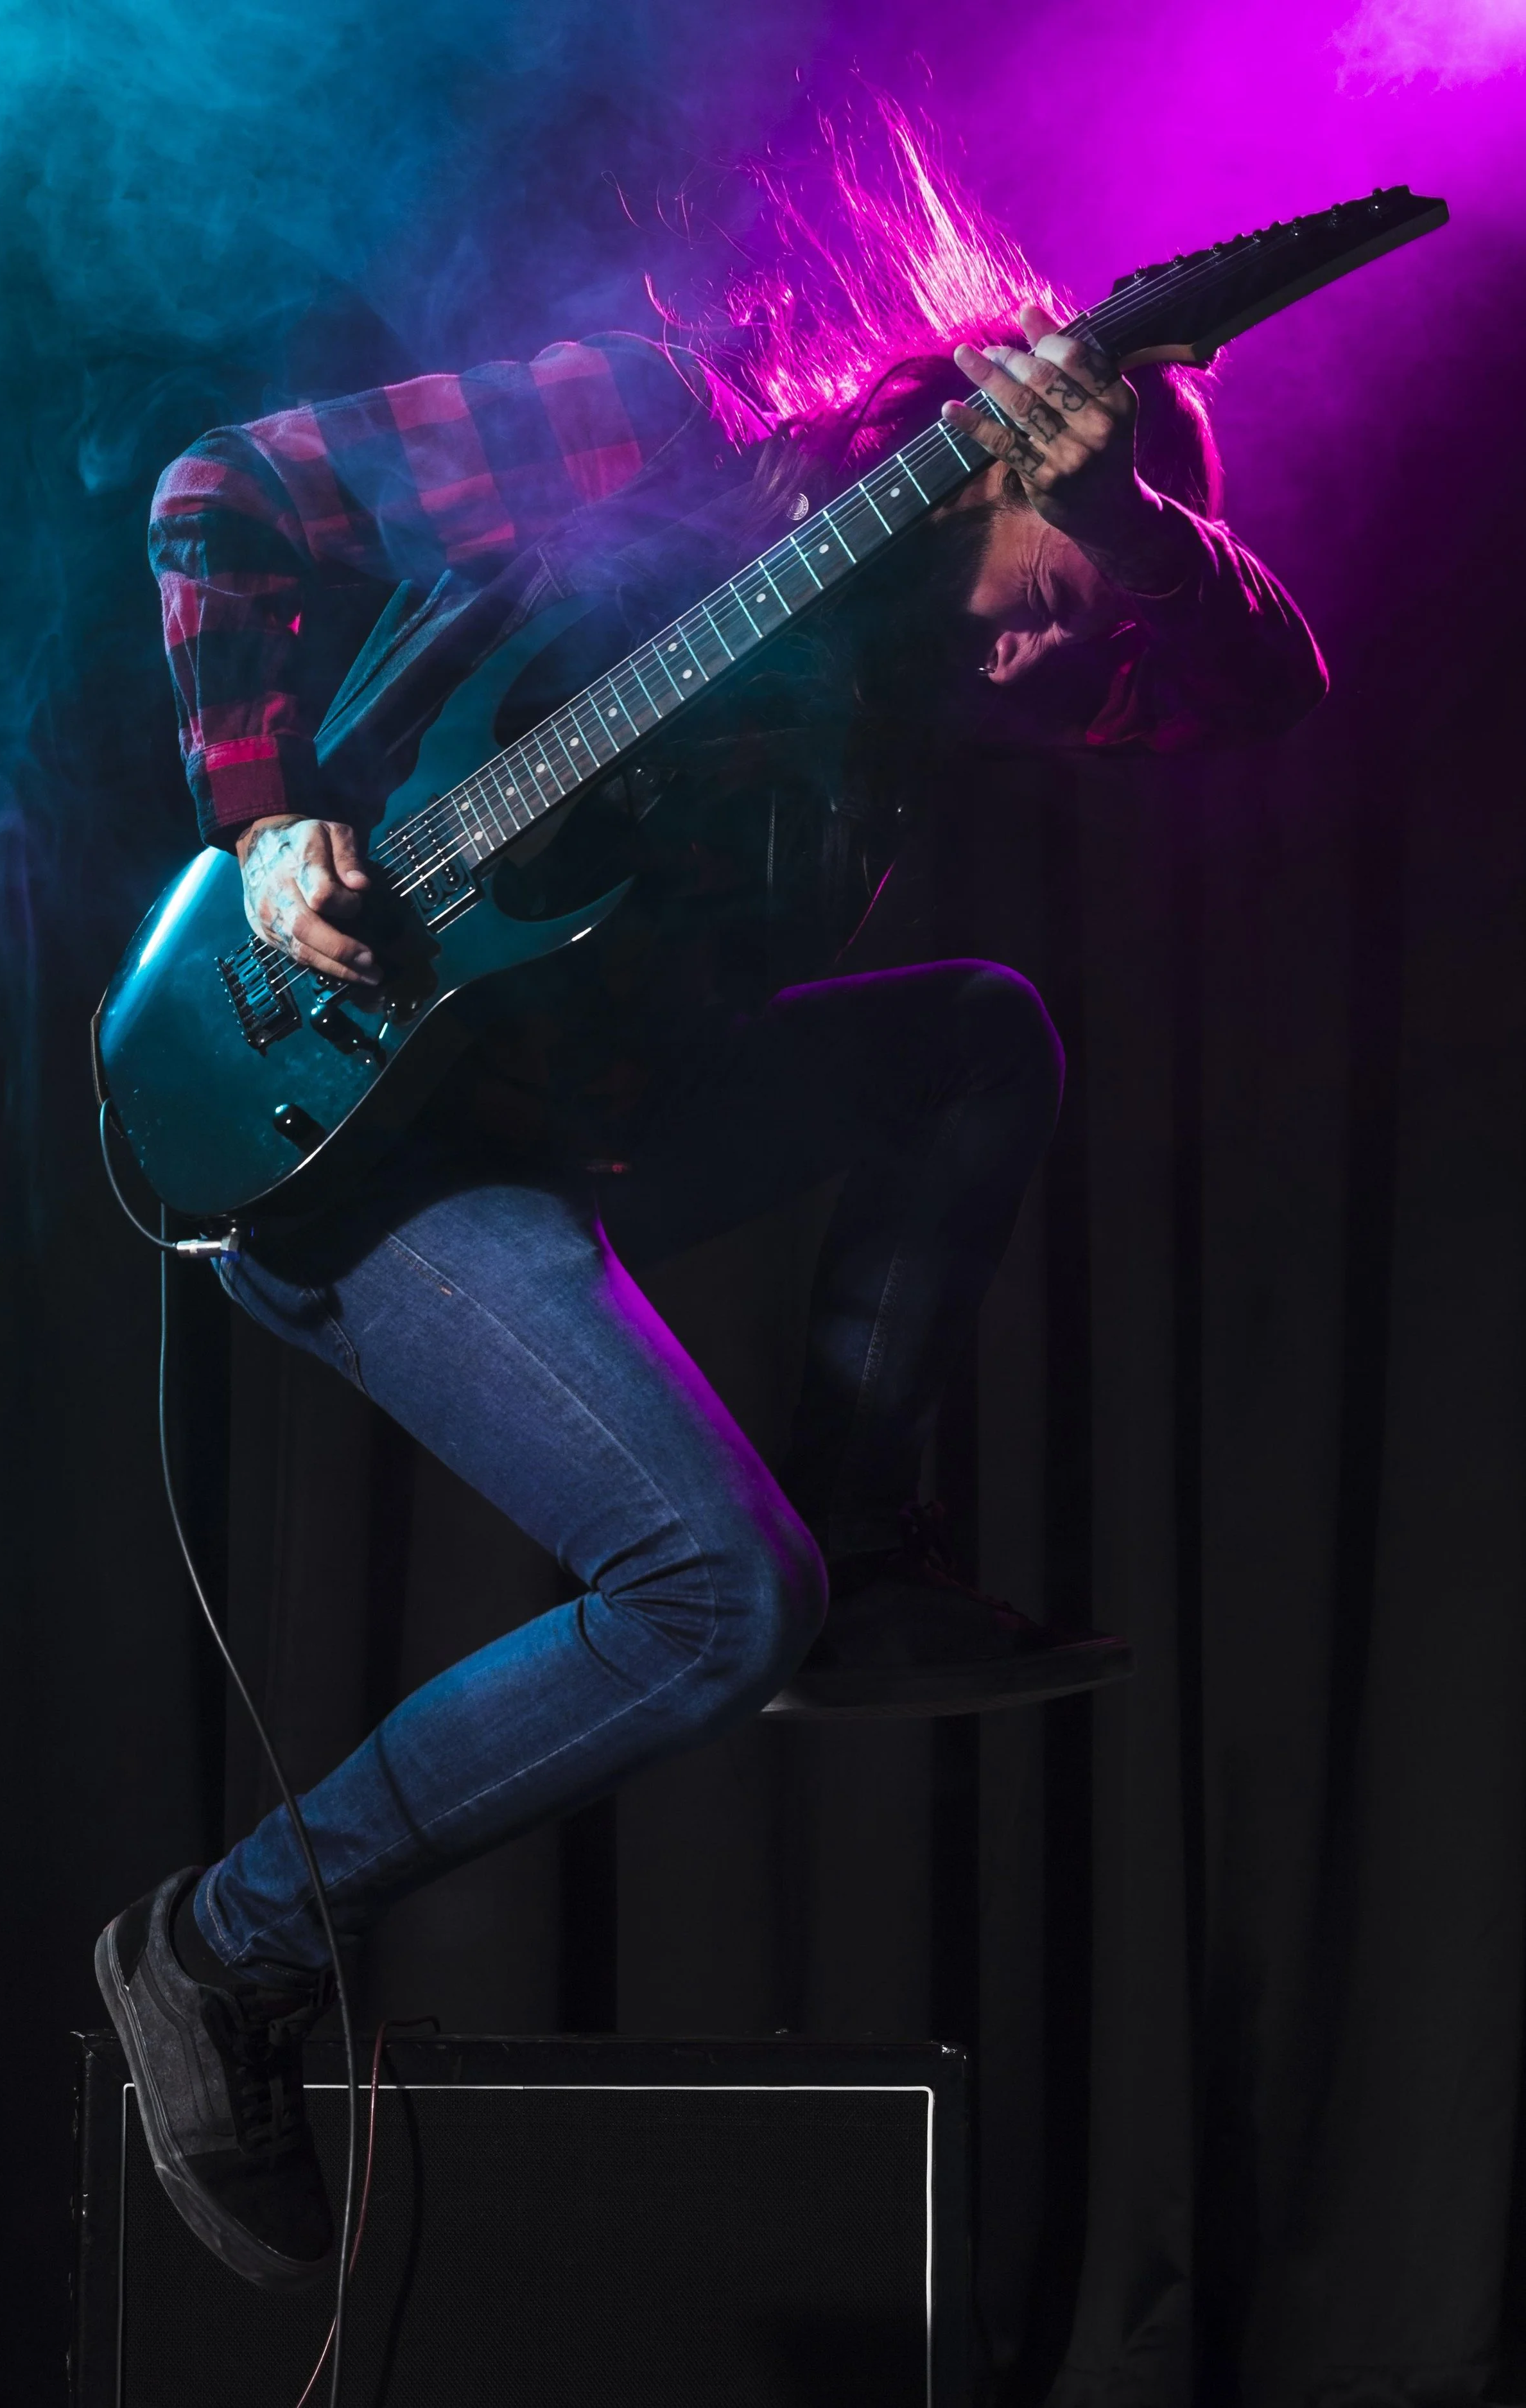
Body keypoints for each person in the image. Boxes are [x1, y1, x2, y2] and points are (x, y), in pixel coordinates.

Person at [94, 174, 1326, 2292]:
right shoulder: (655, 429)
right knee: (707, 1594)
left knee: (974, 1037)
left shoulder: (971, 660)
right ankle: (226, 1947)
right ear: (968, 472)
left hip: (577, 1115)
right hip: (342, 1127)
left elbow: (1262, 689)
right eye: (1058, 587)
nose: (1056, 655)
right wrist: (269, 817)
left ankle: (860, 1562)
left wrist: (1129, 522)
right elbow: (228, 493)